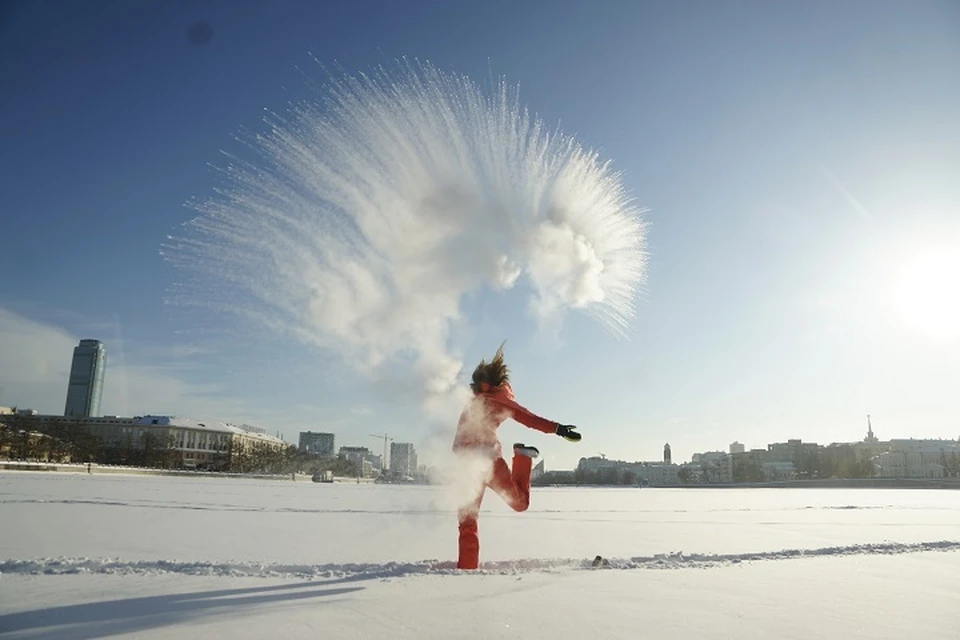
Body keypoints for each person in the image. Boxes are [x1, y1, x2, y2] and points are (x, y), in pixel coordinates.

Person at [451, 344, 581, 570]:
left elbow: (527, 417)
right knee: (472, 520)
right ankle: (466, 571)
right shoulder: (478, 401)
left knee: (504, 509)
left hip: (485, 462)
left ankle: (523, 457)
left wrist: (558, 428)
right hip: (471, 465)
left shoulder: (493, 400)